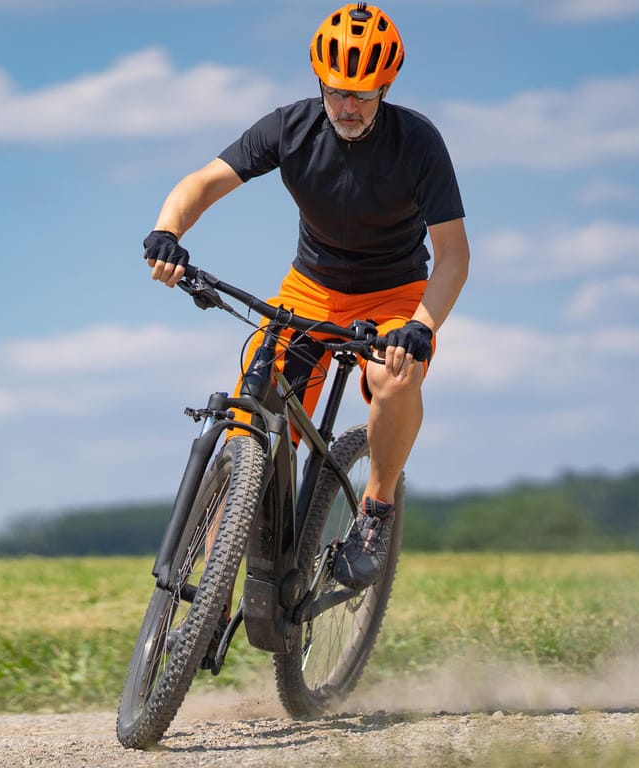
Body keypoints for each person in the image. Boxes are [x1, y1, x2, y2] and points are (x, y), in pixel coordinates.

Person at [142, 2, 469, 590]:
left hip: (394, 296)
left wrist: (421, 324)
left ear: (385, 87)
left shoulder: (418, 142)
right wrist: (169, 232)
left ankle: (376, 508)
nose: (348, 107)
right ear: (320, 81)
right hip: (309, 292)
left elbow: (453, 257)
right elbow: (202, 183)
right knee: (250, 420)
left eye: (364, 95)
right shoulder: (290, 127)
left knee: (396, 378)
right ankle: (212, 597)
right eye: (338, 91)